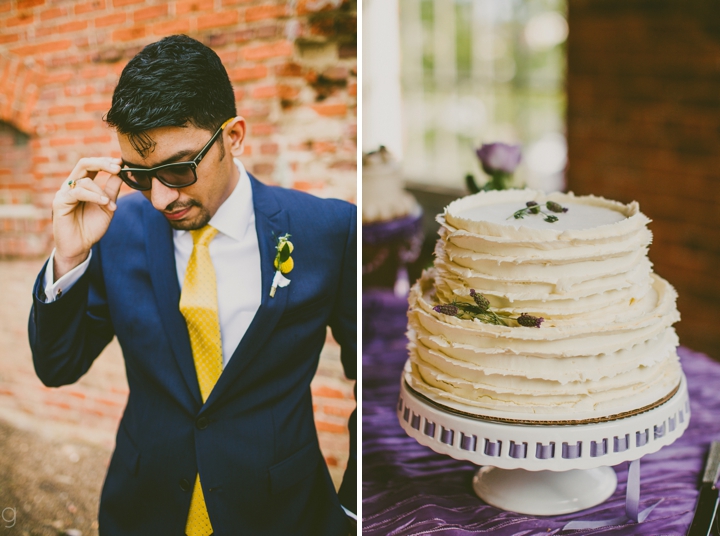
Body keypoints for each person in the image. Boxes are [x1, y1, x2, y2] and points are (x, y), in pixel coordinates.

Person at [27, 35, 356, 536]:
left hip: (282, 513)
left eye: (178, 169)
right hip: (143, 510)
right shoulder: (117, 231)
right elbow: (57, 367)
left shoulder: (330, 230)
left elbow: (374, 382)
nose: (160, 198)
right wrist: (70, 256)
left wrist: (354, 510)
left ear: (234, 137)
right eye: (140, 176)